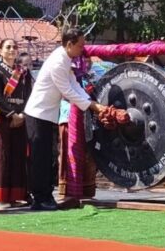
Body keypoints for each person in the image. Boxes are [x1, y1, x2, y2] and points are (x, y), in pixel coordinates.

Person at [24, 28, 105, 211]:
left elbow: (74, 84)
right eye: (80, 46)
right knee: (39, 158)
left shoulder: (65, 58)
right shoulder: (58, 61)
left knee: (49, 158)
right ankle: (39, 199)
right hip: (38, 114)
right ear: (69, 44)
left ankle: (46, 195)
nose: (82, 49)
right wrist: (92, 106)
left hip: (48, 115)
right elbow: (67, 91)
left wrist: (91, 101)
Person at [0, 39, 31, 208]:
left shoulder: (23, 73)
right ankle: (1, 198)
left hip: (21, 117)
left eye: (14, 47)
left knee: (17, 156)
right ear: (0, 51)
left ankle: (14, 196)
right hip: (3, 117)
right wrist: (12, 115)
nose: (12, 50)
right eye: (8, 47)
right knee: (2, 156)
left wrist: (22, 115)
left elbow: (29, 95)